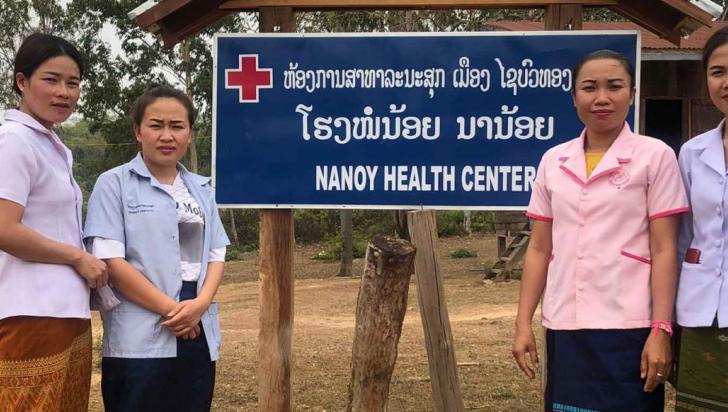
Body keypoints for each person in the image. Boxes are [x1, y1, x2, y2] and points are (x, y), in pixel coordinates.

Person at [511, 49, 689, 411]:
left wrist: (661, 328)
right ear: (574, 96)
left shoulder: (655, 156)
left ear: (633, 94)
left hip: (629, 324)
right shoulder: (553, 160)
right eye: (589, 87)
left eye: (615, 86)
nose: (602, 98)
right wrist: (522, 323)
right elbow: (539, 249)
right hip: (566, 322)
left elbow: (665, 248)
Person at [84, 83, 230, 412]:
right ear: (138, 131)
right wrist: (175, 311)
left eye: (177, 126)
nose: (167, 135)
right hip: (140, 336)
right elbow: (112, 263)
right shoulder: (114, 184)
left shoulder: (201, 190)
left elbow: (215, 254)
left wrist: (199, 304)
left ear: (190, 133)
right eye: (156, 125)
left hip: (197, 329)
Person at [0, 33, 107, 411]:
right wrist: (76, 257)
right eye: (51, 79)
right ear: (22, 81)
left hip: (66, 312)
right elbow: (4, 228)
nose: (64, 92)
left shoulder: (52, 145)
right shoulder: (14, 140)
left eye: (73, 82)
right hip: (29, 312)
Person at [674, 25, 728, 412]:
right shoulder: (692, 153)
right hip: (700, 312)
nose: (726, 82)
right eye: (718, 72)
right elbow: (683, 237)